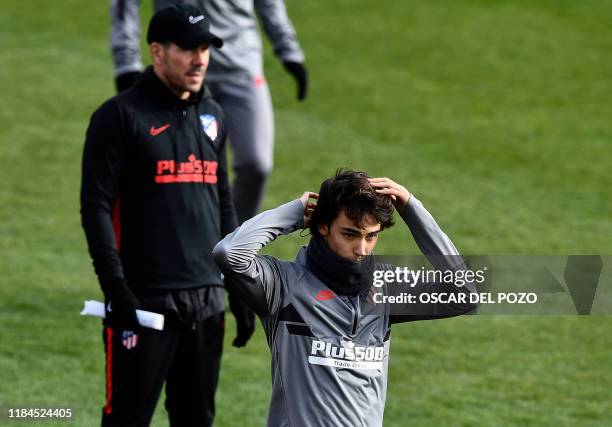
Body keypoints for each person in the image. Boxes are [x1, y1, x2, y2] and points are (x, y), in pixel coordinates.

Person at [81, 5, 254, 426]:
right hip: (145, 303)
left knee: (196, 419)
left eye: (205, 48)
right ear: (157, 52)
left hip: (206, 301)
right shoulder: (119, 117)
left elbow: (224, 203)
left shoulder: (212, 115)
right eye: (187, 49)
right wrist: (116, 287)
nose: (200, 59)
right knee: (126, 419)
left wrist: (237, 286)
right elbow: (96, 207)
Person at [213, 169, 477, 426]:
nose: (361, 249)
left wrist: (412, 209)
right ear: (324, 226)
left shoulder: (386, 287)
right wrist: (293, 213)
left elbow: (464, 295)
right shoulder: (283, 285)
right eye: (349, 234)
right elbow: (229, 253)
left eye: (371, 236)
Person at [110, 0, 308, 223]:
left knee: (257, 164)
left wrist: (288, 49)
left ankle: (232, 242)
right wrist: (126, 62)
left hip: (242, 67)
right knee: (179, 168)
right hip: (179, 72)